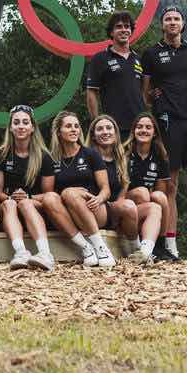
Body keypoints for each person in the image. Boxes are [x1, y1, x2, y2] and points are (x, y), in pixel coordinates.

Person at [140, 6, 187, 262]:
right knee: (169, 186)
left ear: (183, 24)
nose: (172, 23)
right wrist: (154, 105)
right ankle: (170, 245)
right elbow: (145, 93)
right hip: (168, 123)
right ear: (162, 25)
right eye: (168, 19)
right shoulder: (151, 53)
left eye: (176, 19)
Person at [49, 111, 117, 268]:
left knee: (69, 192)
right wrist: (72, 193)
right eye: (68, 126)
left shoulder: (91, 154)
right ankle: (87, 249)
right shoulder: (52, 159)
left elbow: (106, 189)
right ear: (59, 132)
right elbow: (49, 192)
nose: (74, 129)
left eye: (76, 126)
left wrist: (98, 198)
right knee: (62, 195)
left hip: (95, 208)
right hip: (68, 213)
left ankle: (102, 248)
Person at [0, 105, 59, 271]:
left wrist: (27, 198)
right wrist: (11, 198)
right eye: (16, 123)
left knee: (26, 204)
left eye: (25, 122)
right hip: (10, 209)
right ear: (10, 128)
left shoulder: (44, 157)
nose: (21, 126)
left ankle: (45, 254)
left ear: (32, 128)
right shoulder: (1, 154)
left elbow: (48, 194)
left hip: (35, 207)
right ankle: (21, 252)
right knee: (10, 204)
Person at [85, 114, 150, 259]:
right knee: (127, 206)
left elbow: (122, 193)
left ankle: (147, 250)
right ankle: (134, 247)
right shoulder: (87, 156)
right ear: (93, 136)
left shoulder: (121, 159)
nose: (105, 131)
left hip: (114, 207)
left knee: (153, 207)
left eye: (109, 128)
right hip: (95, 207)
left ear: (115, 133)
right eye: (100, 129)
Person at [86, 11, 144, 138]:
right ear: (111, 32)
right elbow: (91, 93)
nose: (124, 30)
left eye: (127, 26)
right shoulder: (100, 58)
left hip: (139, 128)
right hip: (113, 128)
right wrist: (96, 123)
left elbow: (145, 92)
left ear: (131, 31)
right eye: (119, 27)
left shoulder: (139, 59)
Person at [123, 112, 172, 264]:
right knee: (142, 192)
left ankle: (160, 245)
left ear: (154, 133)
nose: (143, 130)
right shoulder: (124, 152)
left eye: (148, 127)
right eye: (139, 127)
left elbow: (161, 189)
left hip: (147, 202)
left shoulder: (160, 155)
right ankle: (140, 242)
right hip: (125, 202)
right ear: (133, 131)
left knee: (160, 197)